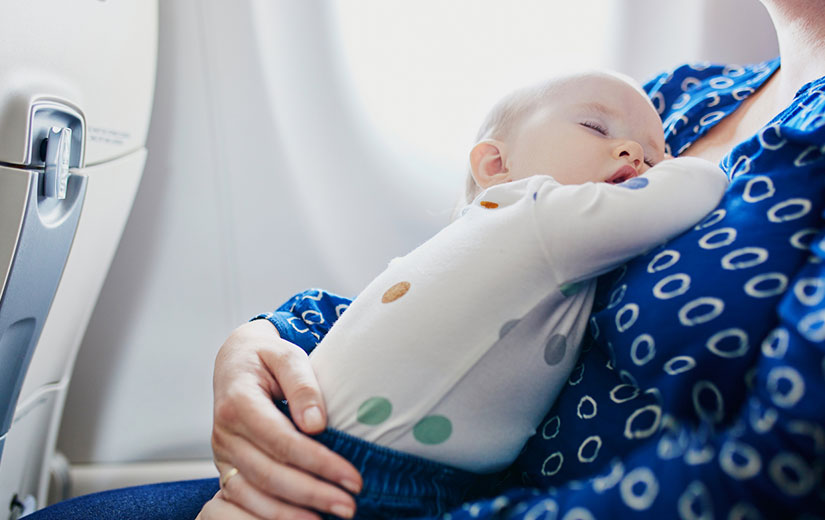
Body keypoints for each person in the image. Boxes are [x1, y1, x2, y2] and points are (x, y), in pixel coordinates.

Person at [24, 1, 825, 519]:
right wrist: (271, 341)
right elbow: (466, 272)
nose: (630, 156)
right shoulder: (674, 101)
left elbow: (777, 476)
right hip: (382, 458)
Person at [249, 71, 726, 518]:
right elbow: (694, 187)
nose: (635, 154)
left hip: (327, 433)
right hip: (379, 471)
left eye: (655, 152)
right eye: (595, 127)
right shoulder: (538, 214)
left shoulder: (485, 231)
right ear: (496, 165)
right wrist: (680, 166)